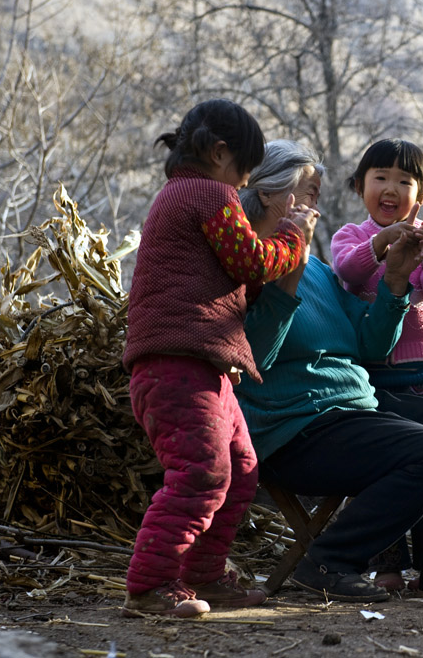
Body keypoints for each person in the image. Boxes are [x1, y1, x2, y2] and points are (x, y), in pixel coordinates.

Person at [235, 139, 423, 603]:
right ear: (268, 194)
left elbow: (368, 344)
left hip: (350, 409)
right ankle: (329, 561)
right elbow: (255, 358)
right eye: (306, 194)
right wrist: (285, 279)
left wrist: (393, 283)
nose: (314, 207)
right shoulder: (247, 265)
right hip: (296, 429)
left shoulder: (320, 271)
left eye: (316, 196)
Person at [121, 100, 319, 617]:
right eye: (246, 172)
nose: (248, 185)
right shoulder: (210, 193)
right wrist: (294, 238)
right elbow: (253, 261)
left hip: (204, 367)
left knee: (242, 470)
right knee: (201, 472)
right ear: (219, 152)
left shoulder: (182, 194)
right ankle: (150, 585)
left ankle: (205, 575)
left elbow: (241, 278)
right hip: (178, 364)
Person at [329, 139, 423, 589]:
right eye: (380, 177)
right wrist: (381, 245)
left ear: (420, 197)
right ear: (360, 186)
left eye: (404, 181)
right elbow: (349, 273)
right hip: (371, 377)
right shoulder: (350, 236)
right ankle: (386, 564)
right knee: (382, 468)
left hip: (422, 376)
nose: (390, 187)